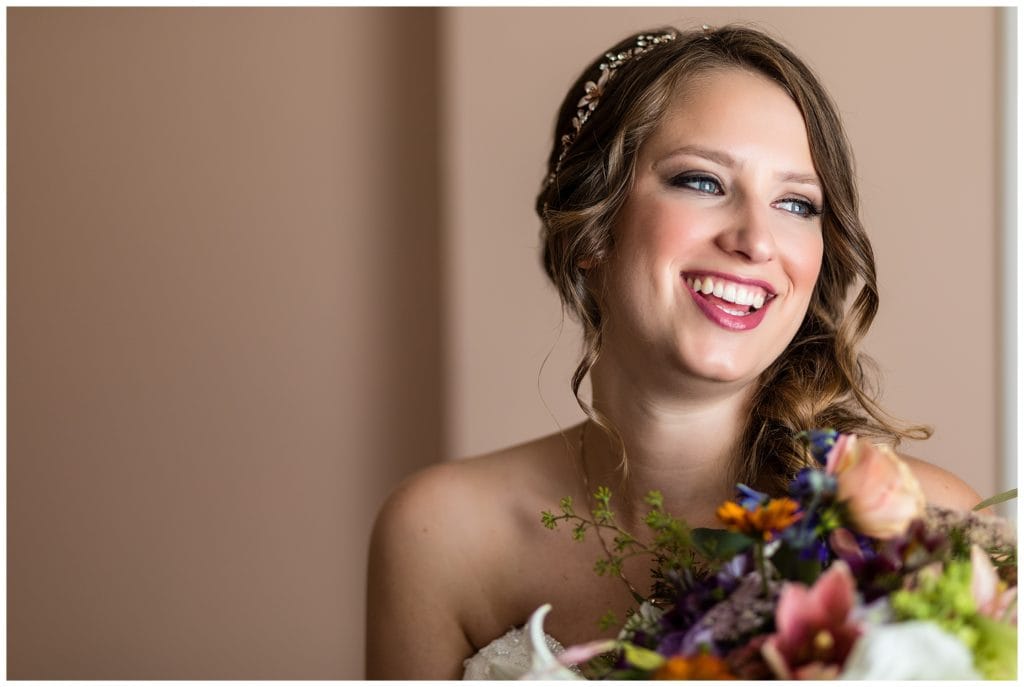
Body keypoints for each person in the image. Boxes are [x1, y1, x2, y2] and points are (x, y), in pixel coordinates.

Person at [365, 24, 983, 679]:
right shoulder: (439, 536)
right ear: (592, 227)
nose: (755, 239)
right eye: (702, 181)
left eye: (796, 202)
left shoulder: (925, 530)